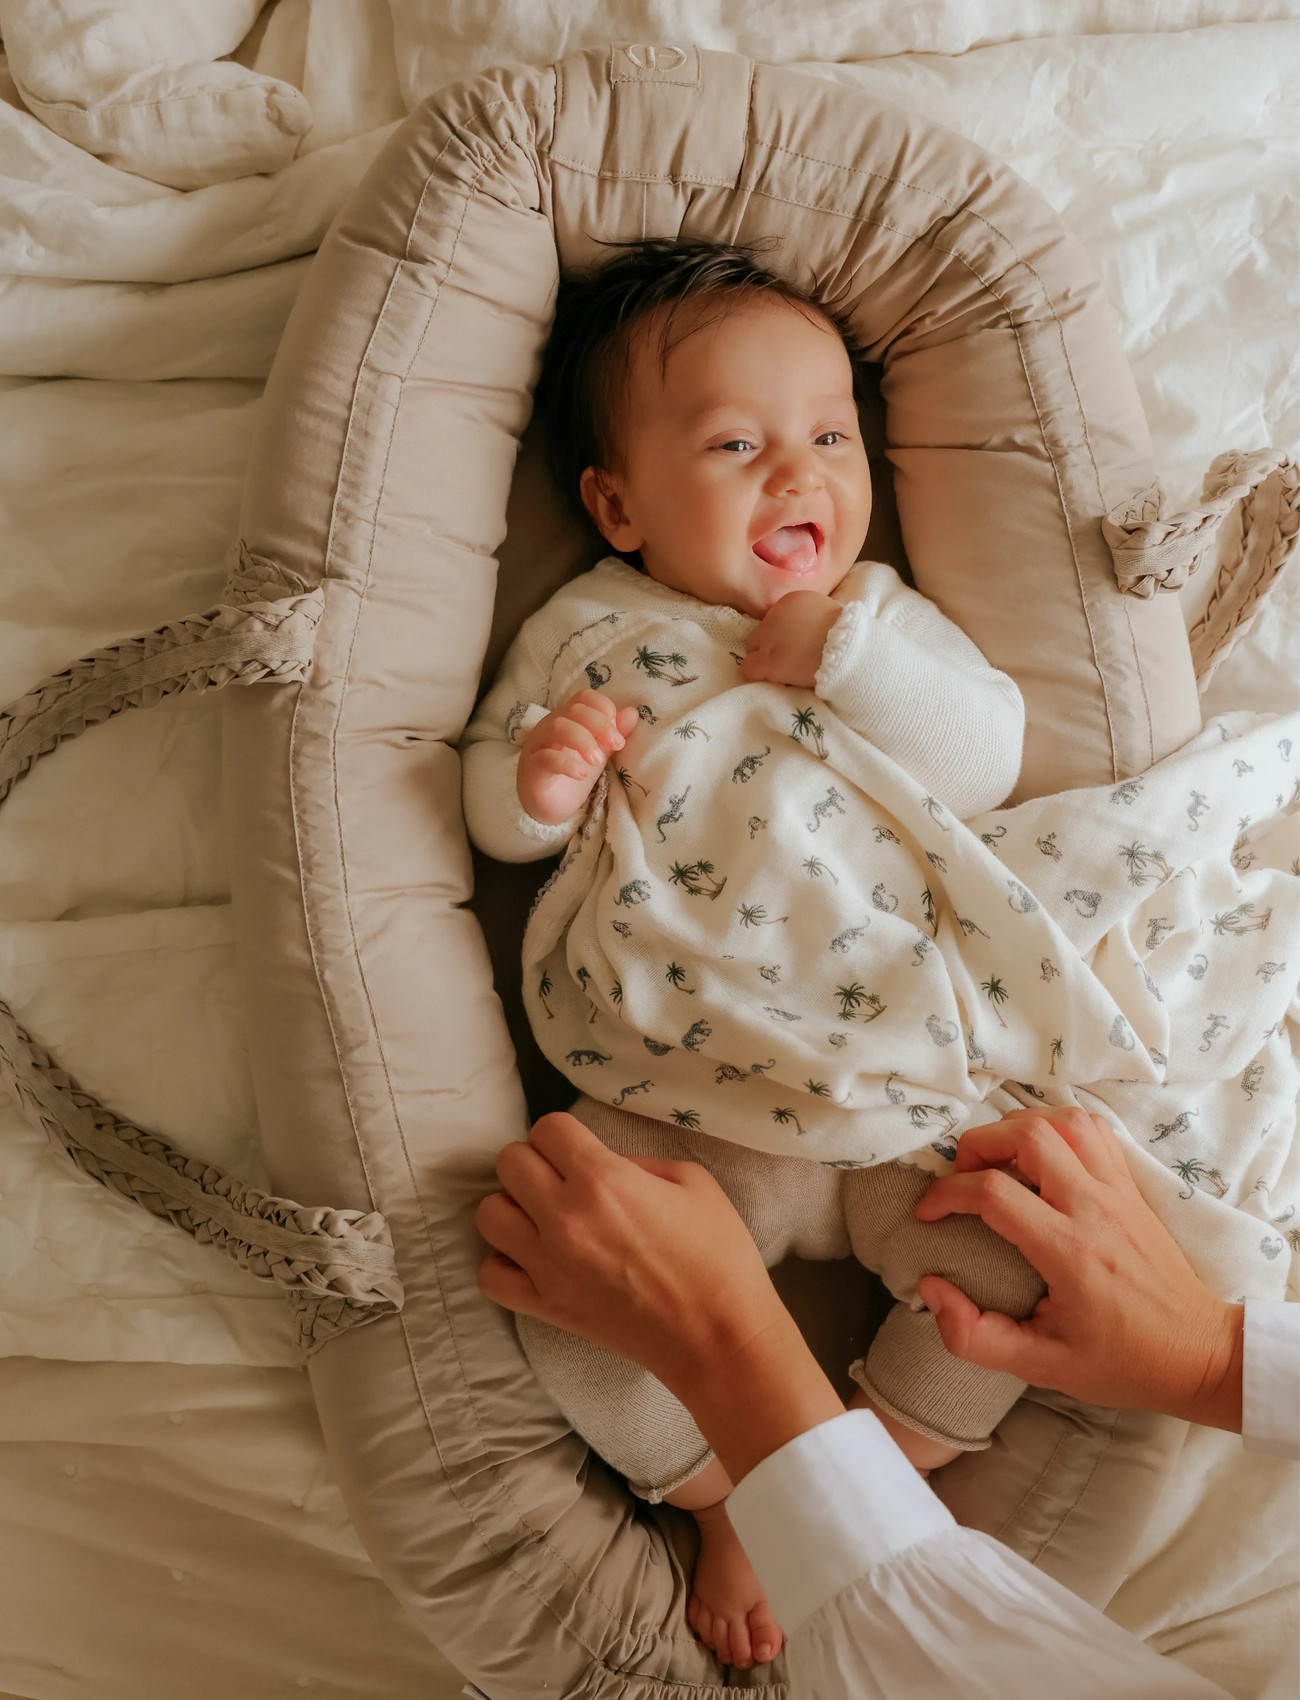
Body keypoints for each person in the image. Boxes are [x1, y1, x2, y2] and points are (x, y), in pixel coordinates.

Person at [459, 238, 1046, 1661]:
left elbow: (988, 755)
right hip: (672, 1093)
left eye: (831, 437)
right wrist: (543, 782)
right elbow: (488, 808)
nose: (800, 475)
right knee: (555, 1266)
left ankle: (887, 1455)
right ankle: (730, 1491)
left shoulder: (877, 615)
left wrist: (846, 659)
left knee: (1026, 1255)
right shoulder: (591, 631)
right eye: (737, 444)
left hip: (897, 1083)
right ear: (616, 503)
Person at [475, 1105, 1300, 1691]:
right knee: (1042, 1241)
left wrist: (727, 1344)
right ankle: (861, 1470)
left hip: (758, 1113)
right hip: (944, 1089)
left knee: (570, 1239)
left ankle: (740, 1501)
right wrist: (1212, 1358)